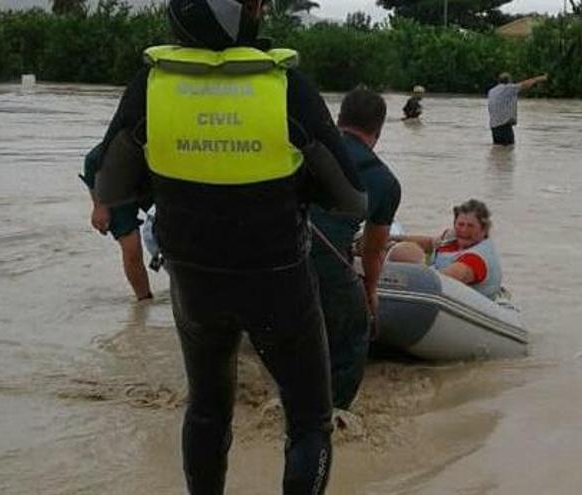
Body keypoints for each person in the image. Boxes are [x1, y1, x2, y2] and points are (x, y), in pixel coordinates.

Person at [89, 0, 367, 492]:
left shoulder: (150, 86)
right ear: (247, 16)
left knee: (207, 410)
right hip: (279, 280)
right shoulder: (286, 88)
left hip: (195, 281)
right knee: (308, 420)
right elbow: (351, 199)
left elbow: (108, 187)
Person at [310, 88, 401, 412]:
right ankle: (332, 414)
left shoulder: (304, 149)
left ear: (338, 119)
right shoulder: (384, 180)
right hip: (325, 263)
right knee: (353, 332)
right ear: (378, 131)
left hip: (270, 253)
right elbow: (372, 251)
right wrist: (370, 291)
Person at [80, 143, 154, 301]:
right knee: (132, 249)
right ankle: (144, 302)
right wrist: (98, 206)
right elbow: (92, 161)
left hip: (150, 184)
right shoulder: (110, 148)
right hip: (115, 190)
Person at [387, 199, 502, 299]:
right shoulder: (452, 237)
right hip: (430, 277)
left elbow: (444, 279)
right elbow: (429, 243)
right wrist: (391, 239)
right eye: (460, 224)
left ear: (484, 230)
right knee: (399, 249)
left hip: (457, 303)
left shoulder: (475, 259)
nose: (464, 230)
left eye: (470, 226)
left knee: (403, 252)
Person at [487, 72, 547, 146]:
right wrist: (541, 78)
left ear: (499, 81)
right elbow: (525, 84)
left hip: (494, 127)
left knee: (498, 150)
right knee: (508, 151)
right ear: (509, 81)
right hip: (504, 127)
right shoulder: (509, 88)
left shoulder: (492, 91)